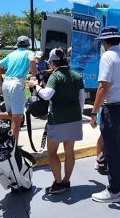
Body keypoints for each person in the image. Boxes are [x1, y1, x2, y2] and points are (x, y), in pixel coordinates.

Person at [28, 47, 85, 194]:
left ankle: (58, 183)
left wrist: (36, 87)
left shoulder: (55, 76)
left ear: (53, 62)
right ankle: (66, 182)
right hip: (74, 118)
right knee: (69, 151)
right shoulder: (77, 76)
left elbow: (47, 95)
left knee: (52, 152)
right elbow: (82, 99)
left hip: (58, 119)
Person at [90, 26, 120, 203]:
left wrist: (94, 112)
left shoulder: (107, 56)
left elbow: (103, 87)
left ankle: (114, 191)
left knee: (112, 150)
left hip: (113, 108)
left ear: (105, 42)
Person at [0, 36, 36, 142]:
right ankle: (14, 146)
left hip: (6, 83)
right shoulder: (29, 53)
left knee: (13, 115)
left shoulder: (11, 54)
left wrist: (0, 85)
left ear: (17, 44)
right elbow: (32, 60)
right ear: (28, 45)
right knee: (17, 118)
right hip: (16, 83)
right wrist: (33, 76)